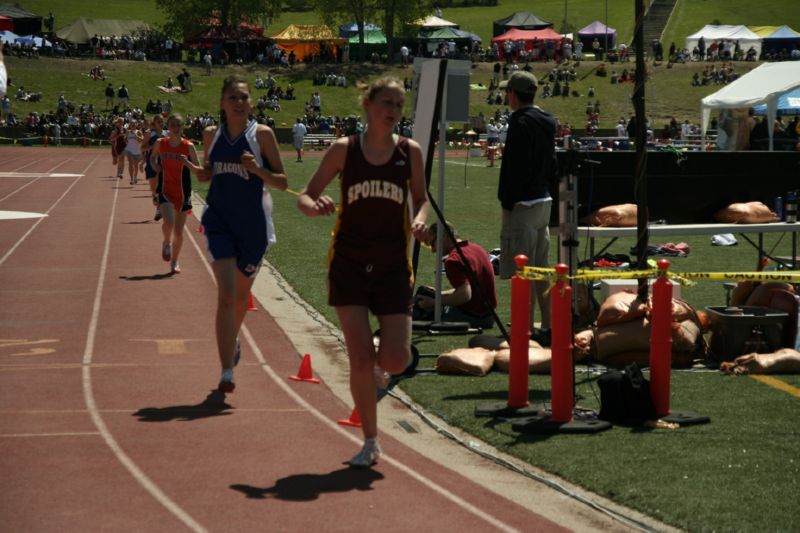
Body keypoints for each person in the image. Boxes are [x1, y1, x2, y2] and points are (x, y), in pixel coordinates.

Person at [297, 77, 428, 468]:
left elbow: (420, 200)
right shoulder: (344, 150)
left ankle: (378, 364)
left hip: (392, 267)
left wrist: (419, 221)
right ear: (368, 105)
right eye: (386, 102)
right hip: (350, 265)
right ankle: (371, 441)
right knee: (357, 359)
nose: (393, 111)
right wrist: (314, 204)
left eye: (399, 105)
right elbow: (305, 195)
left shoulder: (410, 152)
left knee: (396, 360)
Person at [185, 76, 288, 394]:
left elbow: (282, 182)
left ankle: (233, 334)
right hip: (219, 221)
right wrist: (204, 173)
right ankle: (226, 371)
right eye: (232, 97)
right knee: (227, 295)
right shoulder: (210, 135)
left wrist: (257, 169)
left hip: (254, 227)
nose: (239, 102)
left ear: (251, 103)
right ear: (222, 103)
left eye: (243, 97)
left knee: (241, 299)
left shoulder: (263, 135)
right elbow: (209, 175)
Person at [497, 71, 556, 346]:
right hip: (543, 200)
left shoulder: (520, 122)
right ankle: (548, 323)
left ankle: (524, 328)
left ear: (513, 94)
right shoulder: (547, 120)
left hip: (523, 203)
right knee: (541, 269)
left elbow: (513, 168)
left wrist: (507, 203)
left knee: (523, 272)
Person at [414, 222, 497, 329]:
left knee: (419, 311)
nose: (433, 250)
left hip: (472, 317)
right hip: (489, 316)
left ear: (443, 237)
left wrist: (433, 303)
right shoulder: (477, 248)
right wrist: (438, 294)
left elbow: (465, 295)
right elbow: (468, 288)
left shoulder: (453, 260)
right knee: (427, 294)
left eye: (433, 244)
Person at [150, 114, 199, 274]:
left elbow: (198, 169)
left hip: (183, 192)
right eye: (173, 125)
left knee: (178, 231)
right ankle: (166, 242)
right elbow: (152, 158)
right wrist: (155, 166)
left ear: (182, 128)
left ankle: (175, 261)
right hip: (165, 189)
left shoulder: (188, 146)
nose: (176, 129)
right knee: (169, 222)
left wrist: (187, 163)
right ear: (168, 127)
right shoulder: (160, 143)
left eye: (179, 125)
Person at [142, 115, 165, 221]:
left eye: (162, 121)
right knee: (153, 188)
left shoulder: (166, 134)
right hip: (152, 162)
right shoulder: (149, 133)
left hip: (164, 162)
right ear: (154, 123)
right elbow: (142, 148)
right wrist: (154, 147)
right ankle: (155, 198)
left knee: (162, 186)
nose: (161, 123)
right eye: (158, 122)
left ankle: (159, 210)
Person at [124, 120, 144, 185]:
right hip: (129, 150)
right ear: (130, 125)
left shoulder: (138, 132)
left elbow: (142, 139)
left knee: (135, 165)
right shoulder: (128, 132)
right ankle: (131, 179)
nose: (133, 125)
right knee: (130, 163)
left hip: (137, 151)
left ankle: (135, 177)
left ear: (136, 125)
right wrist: (127, 142)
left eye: (134, 124)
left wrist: (136, 136)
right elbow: (126, 139)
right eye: (131, 124)